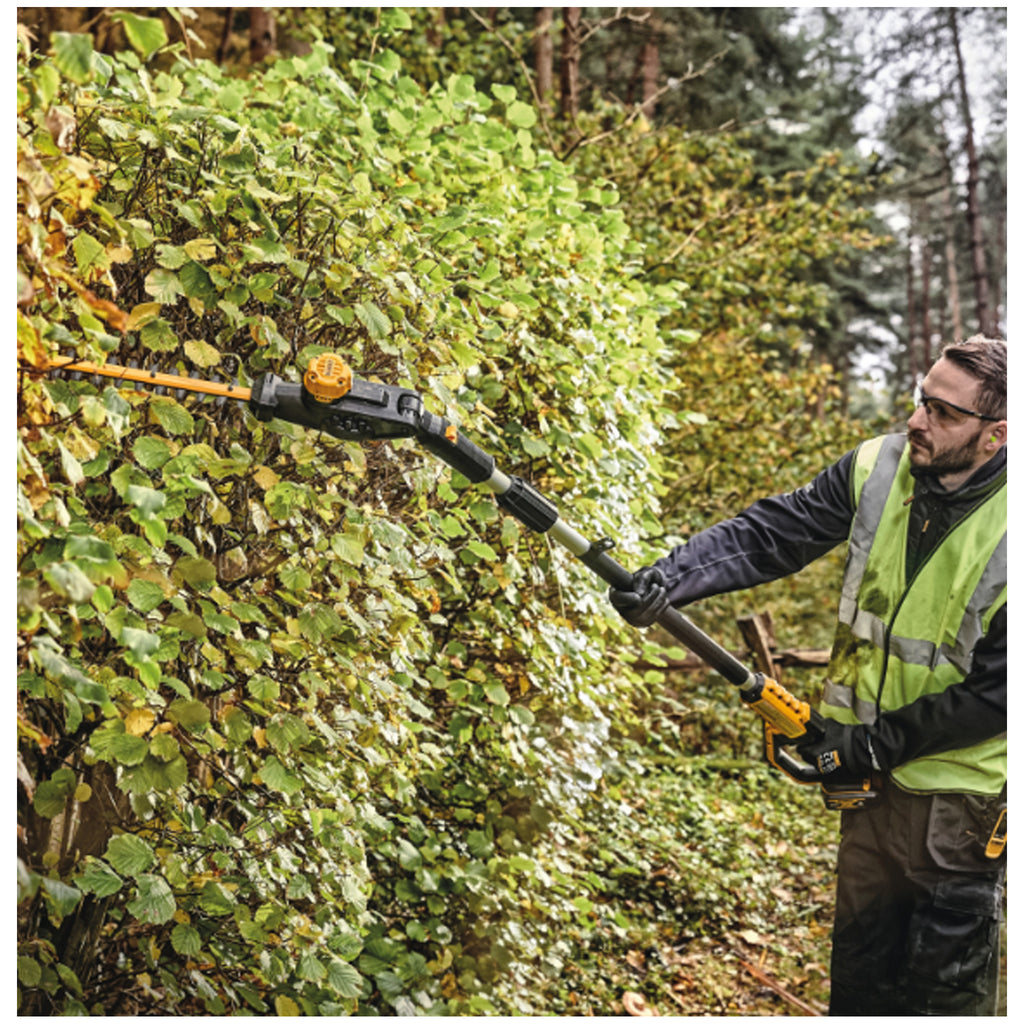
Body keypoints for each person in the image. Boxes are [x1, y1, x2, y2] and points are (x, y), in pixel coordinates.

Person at [610, 336, 1007, 1015]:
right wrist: (668, 580)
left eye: (942, 413)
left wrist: (870, 744)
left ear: (994, 436)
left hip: (957, 814)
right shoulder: (880, 468)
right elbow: (771, 534)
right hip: (867, 798)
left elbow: (998, 696)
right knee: (858, 990)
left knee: (938, 999)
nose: (916, 421)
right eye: (920, 399)